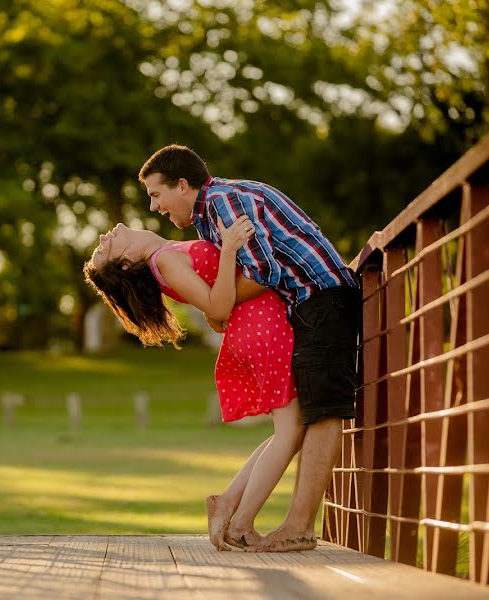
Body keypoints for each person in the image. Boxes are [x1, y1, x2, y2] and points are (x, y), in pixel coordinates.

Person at [138, 144, 361, 553]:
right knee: (309, 413)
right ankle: (260, 519)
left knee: (325, 411)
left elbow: (262, 272)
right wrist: (215, 303)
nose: (154, 207)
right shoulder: (207, 219)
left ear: (182, 186)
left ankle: (298, 527)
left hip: (324, 296)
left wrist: (217, 304)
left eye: (156, 195)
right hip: (304, 304)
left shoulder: (224, 202)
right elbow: (235, 283)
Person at [83, 220, 304, 551]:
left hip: (259, 326)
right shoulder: (164, 261)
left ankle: (228, 503)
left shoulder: (164, 255)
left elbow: (214, 296)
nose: (103, 236)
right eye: (103, 249)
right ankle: (241, 524)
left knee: (290, 430)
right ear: (126, 262)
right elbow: (217, 305)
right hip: (260, 330)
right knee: (291, 430)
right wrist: (229, 248)